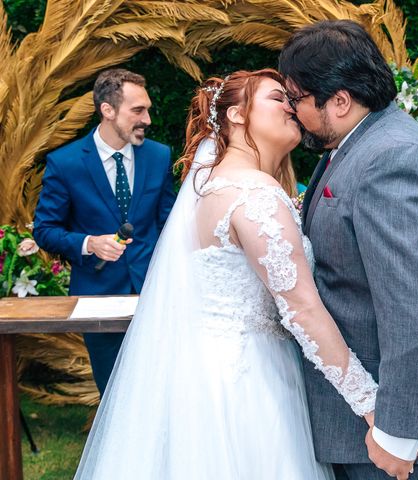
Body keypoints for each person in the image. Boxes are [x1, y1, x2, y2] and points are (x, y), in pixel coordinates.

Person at [73, 69, 379, 479]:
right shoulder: (254, 194)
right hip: (247, 384)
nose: (292, 106)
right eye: (277, 98)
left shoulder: (214, 187)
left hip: (207, 371)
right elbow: (302, 310)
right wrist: (370, 402)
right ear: (237, 115)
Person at [279, 20, 418, 480]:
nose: (293, 111)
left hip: (404, 442)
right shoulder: (360, 145)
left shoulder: (391, 158)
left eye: (296, 99)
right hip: (367, 423)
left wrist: (397, 433)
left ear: (339, 100)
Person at [33, 69, 176, 396]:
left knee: (159, 391)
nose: (148, 119)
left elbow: (169, 222)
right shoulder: (65, 163)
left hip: (155, 293)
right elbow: (45, 230)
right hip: (97, 297)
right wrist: (88, 243)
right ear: (107, 111)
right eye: (138, 111)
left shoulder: (158, 156)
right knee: (113, 395)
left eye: (148, 109)